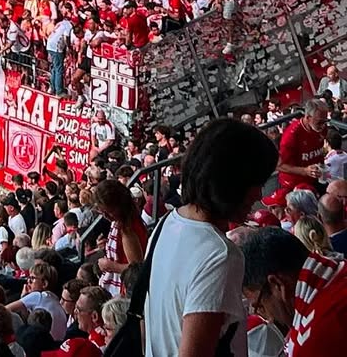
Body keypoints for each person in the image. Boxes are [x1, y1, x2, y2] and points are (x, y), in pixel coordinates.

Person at [144, 118, 279, 357]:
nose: (259, 194)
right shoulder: (220, 255)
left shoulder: (164, 225)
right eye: (255, 183)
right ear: (229, 181)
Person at [240, 226, 347, 356]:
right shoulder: (337, 271)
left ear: (277, 285)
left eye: (260, 306)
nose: (269, 319)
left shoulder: (314, 340)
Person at [94, 179, 147, 297]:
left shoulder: (128, 230)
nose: (106, 216)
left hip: (123, 291)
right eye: (102, 212)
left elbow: (137, 269)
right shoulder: (120, 222)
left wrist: (111, 266)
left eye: (109, 211)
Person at [277, 99, 329, 191]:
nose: (323, 126)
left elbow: (320, 154)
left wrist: (325, 176)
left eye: (325, 121)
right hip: (294, 184)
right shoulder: (292, 135)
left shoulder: (321, 128)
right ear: (308, 117)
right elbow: (279, 165)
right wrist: (304, 171)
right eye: (320, 122)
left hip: (314, 178)